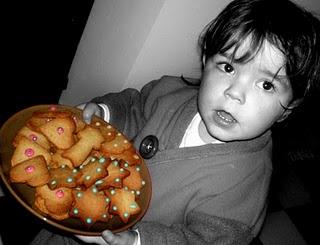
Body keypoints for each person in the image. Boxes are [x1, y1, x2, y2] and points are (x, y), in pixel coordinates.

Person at [31, 0, 320, 244]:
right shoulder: (170, 93)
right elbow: (134, 106)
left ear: (288, 109)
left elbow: (204, 240)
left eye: (267, 85)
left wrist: (138, 240)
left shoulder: (244, 188)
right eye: (228, 67)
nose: (234, 93)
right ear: (206, 60)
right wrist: (105, 112)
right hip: (79, 204)